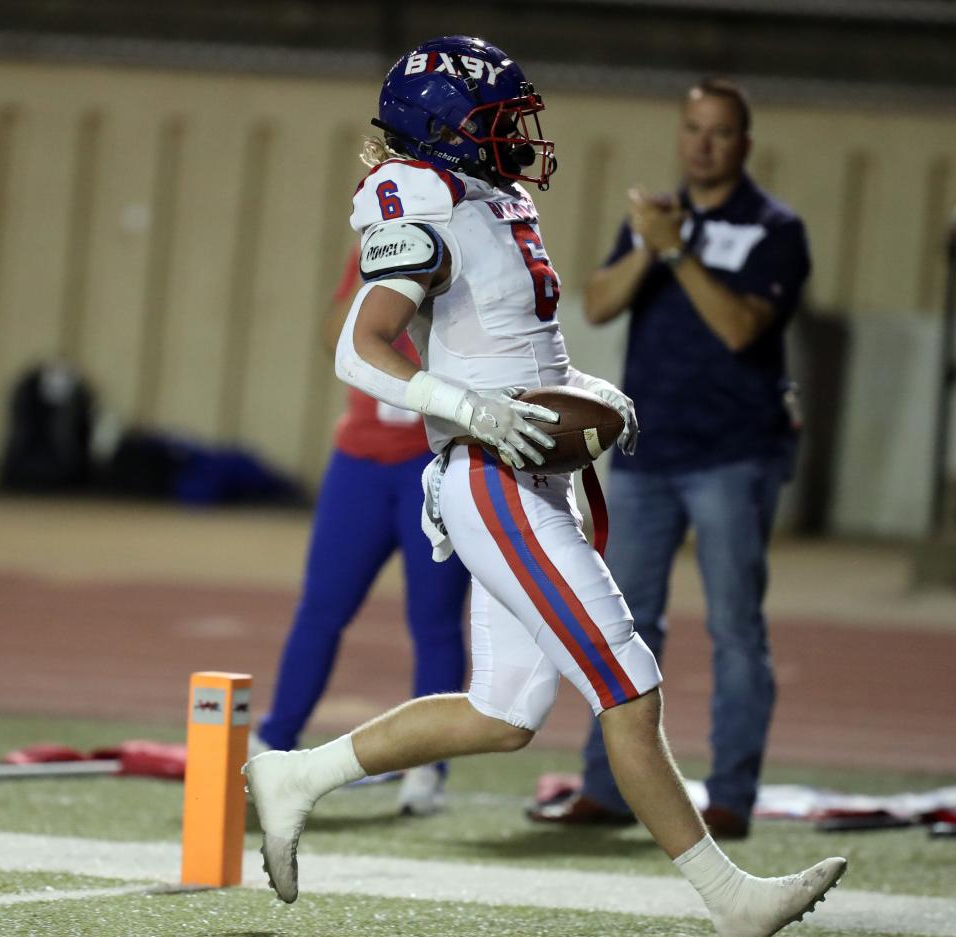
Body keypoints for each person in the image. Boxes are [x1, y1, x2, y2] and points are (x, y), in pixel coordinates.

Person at [244, 37, 845, 935]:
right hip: (491, 477)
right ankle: (734, 902)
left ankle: (295, 775)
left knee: (504, 712)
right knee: (628, 686)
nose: (514, 134)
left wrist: (586, 393)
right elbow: (359, 347)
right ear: (443, 129)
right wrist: (470, 409)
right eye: (494, 120)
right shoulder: (424, 201)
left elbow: (520, 347)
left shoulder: (491, 196)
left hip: (527, 469)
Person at [527, 78, 809, 839]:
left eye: (719, 131)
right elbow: (598, 303)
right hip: (648, 455)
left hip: (735, 455)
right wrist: (652, 247)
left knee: (735, 627)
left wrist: (678, 250)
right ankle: (607, 785)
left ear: (744, 144)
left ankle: (731, 797)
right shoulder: (654, 220)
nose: (703, 144)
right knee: (623, 623)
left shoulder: (774, 227)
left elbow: (743, 328)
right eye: (692, 128)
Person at [250, 246, 471, 816]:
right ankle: (271, 743)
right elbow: (335, 339)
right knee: (322, 608)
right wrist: (382, 258)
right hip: (360, 464)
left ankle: (428, 767)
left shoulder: (472, 249)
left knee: (434, 623)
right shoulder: (383, 237)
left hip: (434, 459)